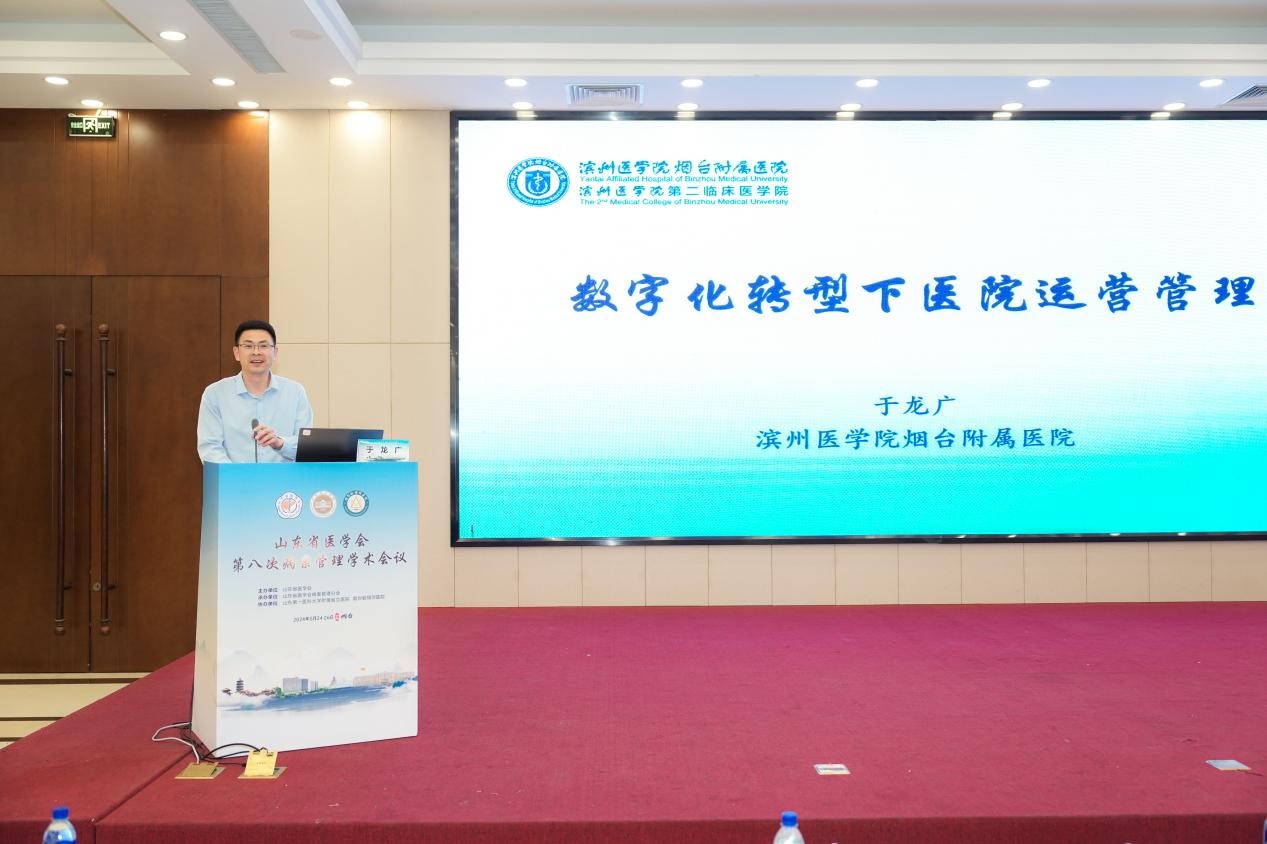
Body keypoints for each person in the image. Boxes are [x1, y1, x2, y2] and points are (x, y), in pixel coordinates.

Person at [197, 320, 313, 463]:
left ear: (275, 352)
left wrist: (280, 443)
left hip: (284, 477)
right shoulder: (215, 394)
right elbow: (210, 448)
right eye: (248, 346)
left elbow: (305, 446)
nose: (256, 352)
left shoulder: (295, 392)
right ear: (237, 353)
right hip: (234, 477)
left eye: (263, 346)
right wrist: (237, 474)